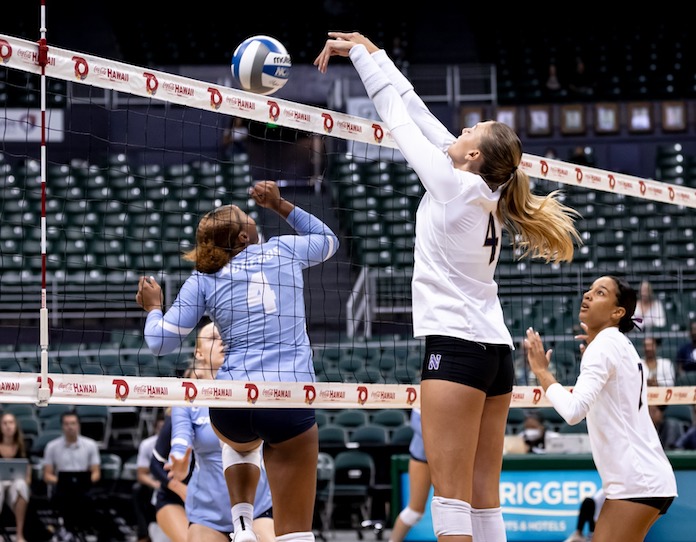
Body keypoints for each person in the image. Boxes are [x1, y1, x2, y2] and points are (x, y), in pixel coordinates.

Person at [314, 31, 581, 542]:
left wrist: (363, 60)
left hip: (456, 349)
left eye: (470, 129)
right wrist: (373, 51)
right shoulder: (482, 189)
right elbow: (414, 105)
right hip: (494, 352)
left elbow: (396, 117)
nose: (461, 129)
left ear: (473, 154)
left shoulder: (453, 184)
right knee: (484, 498)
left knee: (452, 500)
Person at [136, 180, 339, 542]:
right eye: (248, 217)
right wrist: (279, 205)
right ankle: (256, 524)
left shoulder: (203, 278)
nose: (253, 217)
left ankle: (242, 521)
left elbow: (159, 341)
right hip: (287, 397)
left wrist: (153, 308)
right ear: (244, 236)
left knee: (241, 443)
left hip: (232, 402)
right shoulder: (282, 250)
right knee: (295, 532)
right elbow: (328, 240)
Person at [525, 275, 678, 541]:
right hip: (645, 479)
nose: (587, 295)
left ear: (617, 312)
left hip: (636, 481)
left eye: (600, 293)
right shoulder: (619, 344)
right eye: (590, 290)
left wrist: (542, 372)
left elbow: (573, 412)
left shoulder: (605, 346)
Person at [166, 321, 275, 542]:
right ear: (199, 353)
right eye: (214, 338)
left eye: (226, 337)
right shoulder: (188, 398)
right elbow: (181, 439)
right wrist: (178, 461)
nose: (222, 342)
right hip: (208, 512)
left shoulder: (255, 389)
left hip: (257, 506)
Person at [42, 410, 102, 540]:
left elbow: (96, 472)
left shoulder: (90, 445)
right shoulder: (52, 447)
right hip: (61, 488)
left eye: (73, 423)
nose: (70, 427)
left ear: (78, 425)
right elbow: (47, 475)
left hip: (84, 488)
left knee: (87, 497)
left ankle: (83, 531)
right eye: (67, 424)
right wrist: (63, 481)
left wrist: (85, 481)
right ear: (62, 426)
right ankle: (67, 531)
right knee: (66, 496)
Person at [389, 408, 430, 542]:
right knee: (414, 512)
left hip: (452, 456)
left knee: (458, 508)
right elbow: (417, 420)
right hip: (422, 456)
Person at [151, 409, 189, 542]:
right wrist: (180, 488)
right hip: (174, 498)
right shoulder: (176, 417)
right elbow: (155, 465)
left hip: (213, 499)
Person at [133, 411, 166, 542]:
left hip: (175, 483)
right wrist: (155, 484)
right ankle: (143, 534)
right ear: (155, 428)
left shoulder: (180, 443)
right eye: (160, 428)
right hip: (155, 483)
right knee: (137, 490)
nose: (163, 432)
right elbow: (141, 474)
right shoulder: (147, 445)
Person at [0, 412, 30, 542]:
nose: (8, 426)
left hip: (16, 483)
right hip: (0, 482)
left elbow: (28, 473)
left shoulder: (23, 446)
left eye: (11, 422)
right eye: (5, 423)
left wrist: (26, 481)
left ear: (16, 425)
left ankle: (19, 534)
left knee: (21, 485)